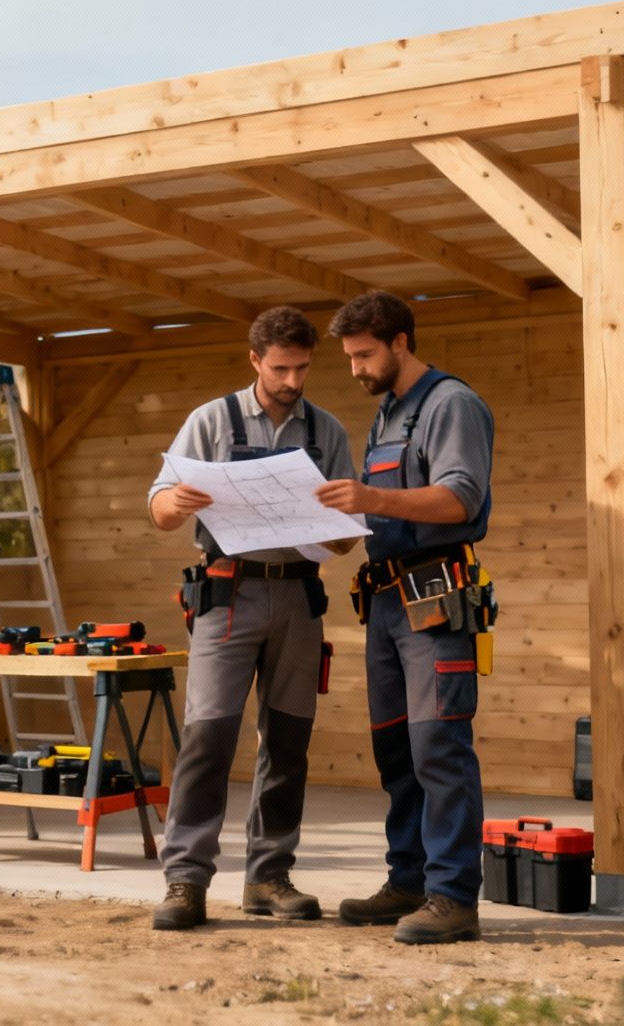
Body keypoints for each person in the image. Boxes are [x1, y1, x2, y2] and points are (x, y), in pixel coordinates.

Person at [146, 306, 355, 932]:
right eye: (281, 368)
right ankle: (185, 880)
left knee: (288, 744)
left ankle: (268, 876)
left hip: (299, 597)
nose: (293, 380)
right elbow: (159, 509)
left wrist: (337, 521)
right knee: (208, 738)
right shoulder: (210, 421)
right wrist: (174, 501)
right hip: (226, 596)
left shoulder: (327, 431)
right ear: (255, 361)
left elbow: (346, 542)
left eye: (303, 368)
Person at [314, 290, 495, 946]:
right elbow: (379, 509)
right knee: (396, 749)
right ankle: (409, 879)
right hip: (385, 602)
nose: (357, 369)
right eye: (351, 358)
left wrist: (369, 496)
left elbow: (457, 499)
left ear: (399, 342)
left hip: (435, 597)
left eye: (364, 355)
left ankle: (453, 896)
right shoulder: (389, 413)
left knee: (437, 746)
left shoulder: (452, 405)